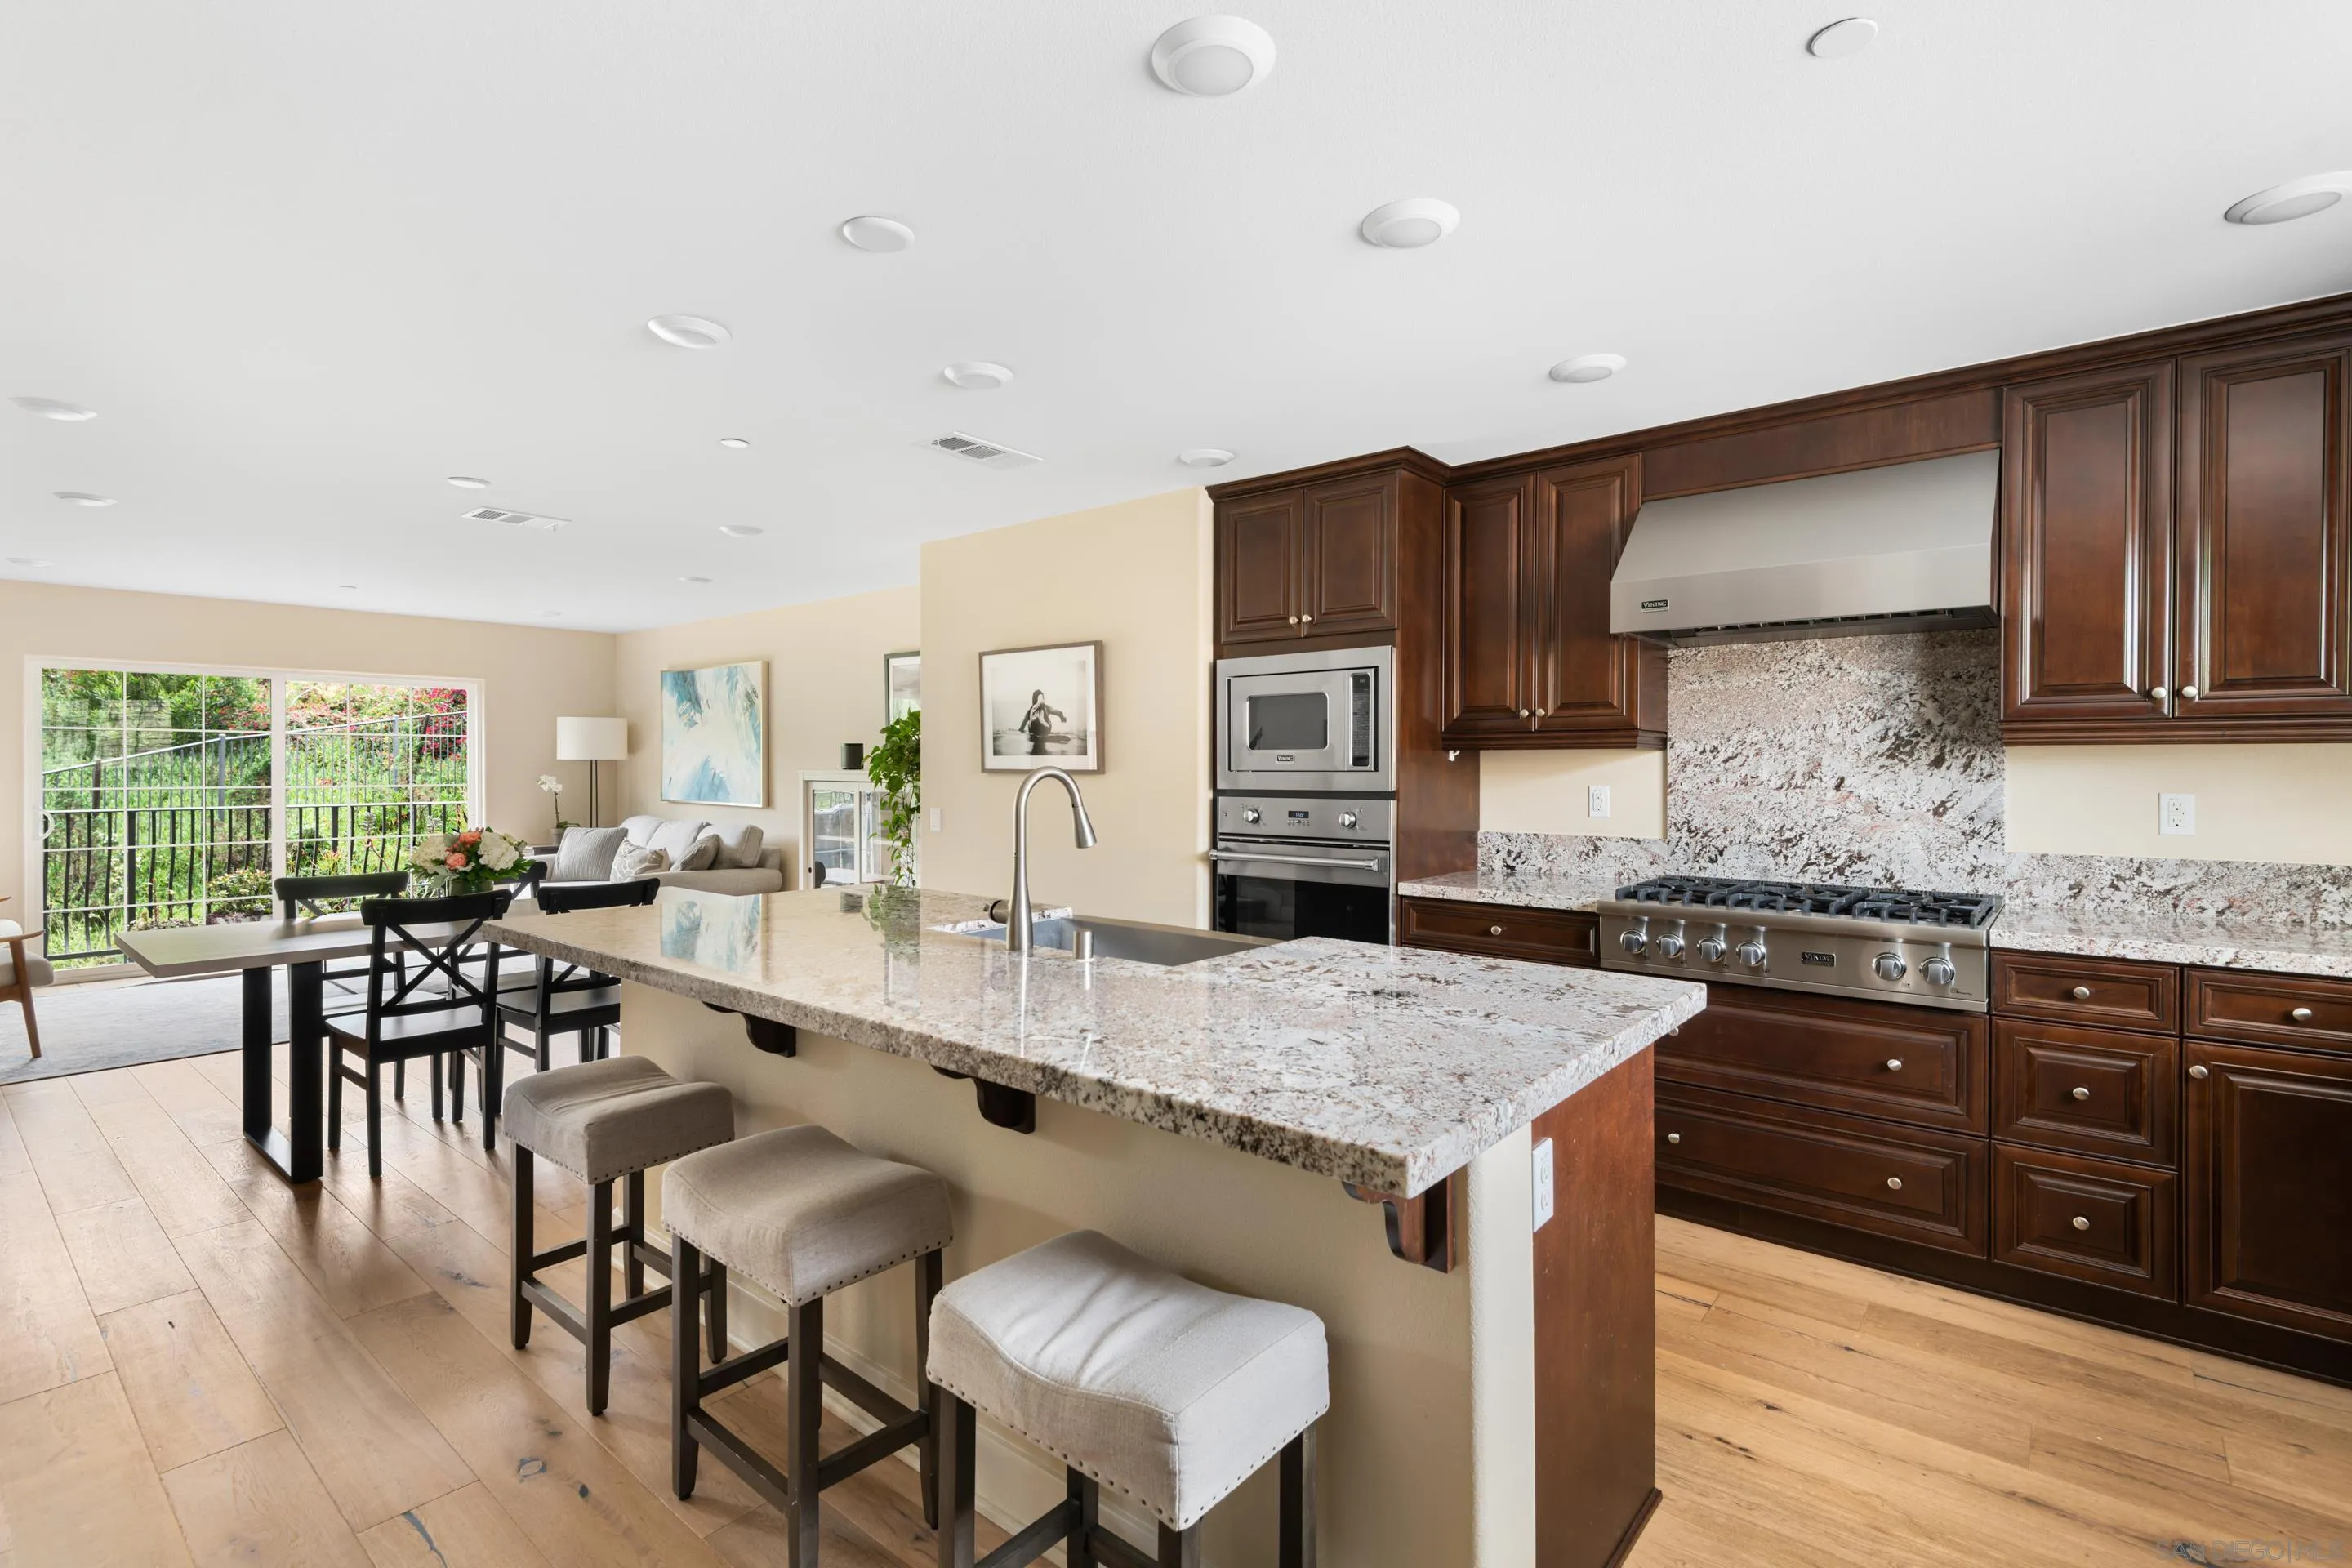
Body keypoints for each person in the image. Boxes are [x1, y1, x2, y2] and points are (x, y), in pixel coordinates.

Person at [1019, 688, 1066, 755]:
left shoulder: (1030, 712)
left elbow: (1021, 729)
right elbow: (1060, 713)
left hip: (1034, 733)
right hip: (1044, 732)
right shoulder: (1047, 708)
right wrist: (1062, 719)